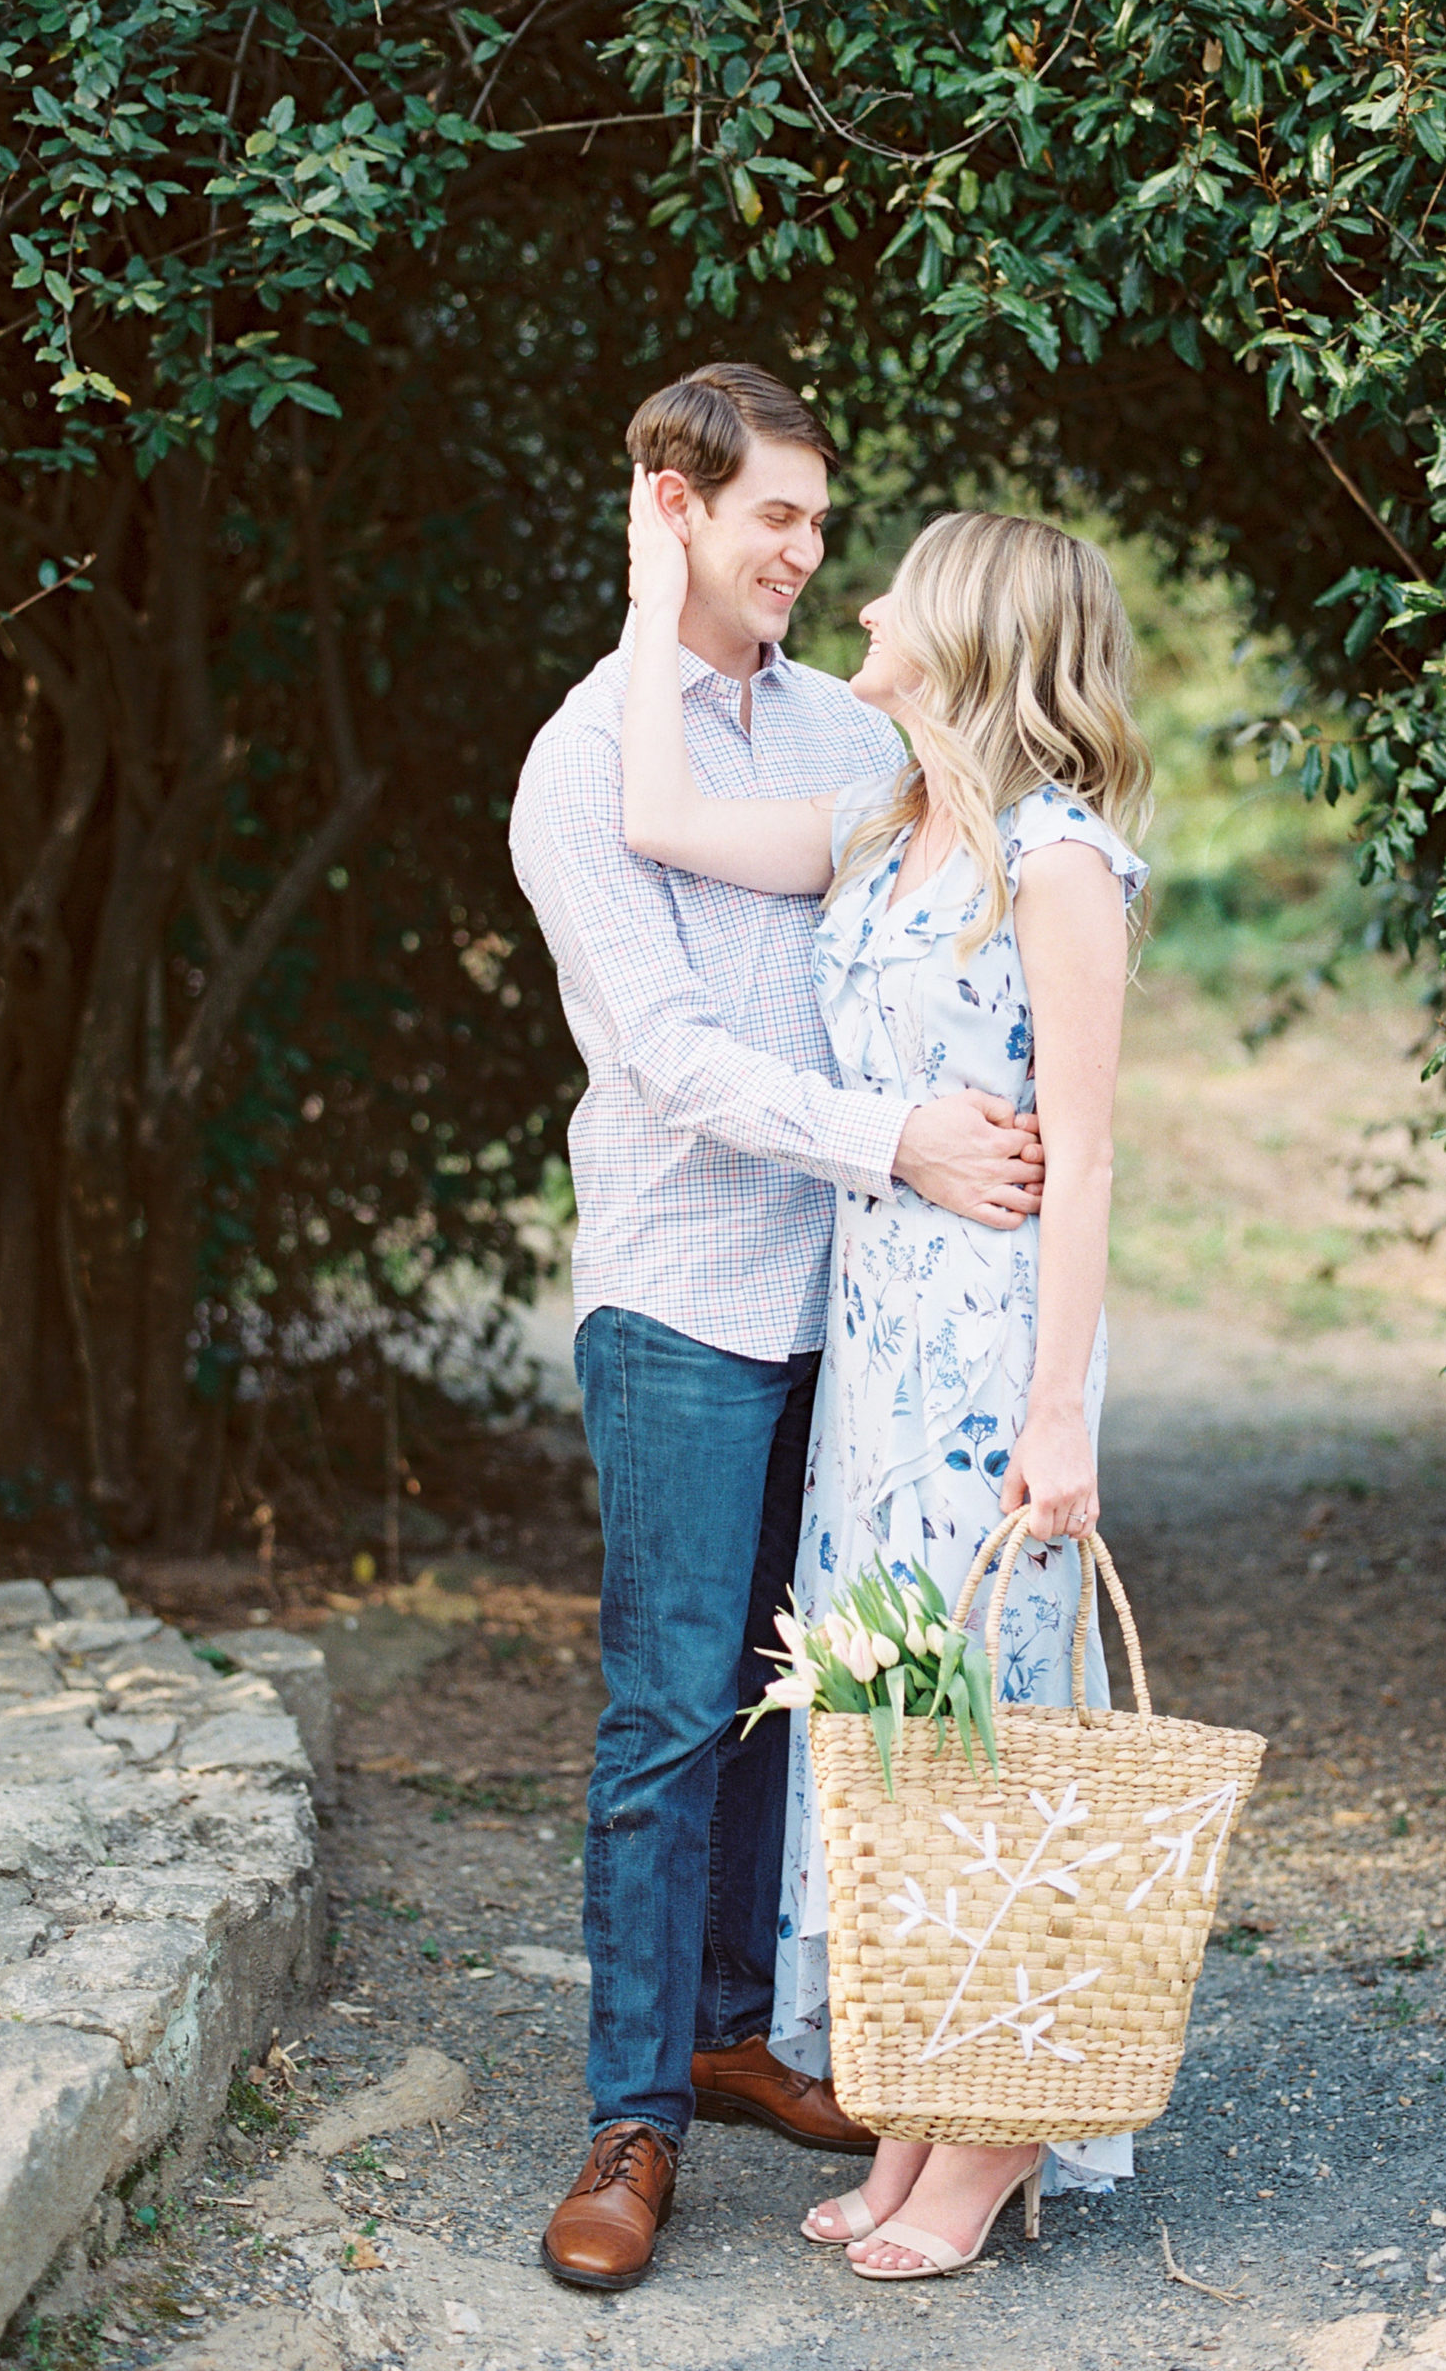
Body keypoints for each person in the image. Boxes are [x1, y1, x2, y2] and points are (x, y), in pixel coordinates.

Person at [509, 364, 1055, 2294]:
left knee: (797, 1686)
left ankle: (744, 2027)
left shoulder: (844, 724)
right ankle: (633, 2114)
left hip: (876, 1306)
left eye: (826, 525)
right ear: (672, 506)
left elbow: (978, 904)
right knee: (668, 1706)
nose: (811, 558)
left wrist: (1017, 1093)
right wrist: (893, 1140)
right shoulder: (583, 765)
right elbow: (663, 1057)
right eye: (776, 522)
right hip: (684, 1287)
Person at [620, 486, 1150, 2283]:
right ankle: (916, 2104)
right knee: (896, 1733)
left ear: (975, 629)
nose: (861, 603)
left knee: (992, 1722)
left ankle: (987, 2145)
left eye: (900, 586)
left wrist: (1062, 1414)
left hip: (993, 1360)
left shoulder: (1057, 861)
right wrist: (648, 590)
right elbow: (660, 814)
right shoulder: (882, 824)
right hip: (876, 1350)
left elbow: (1079, 1161)